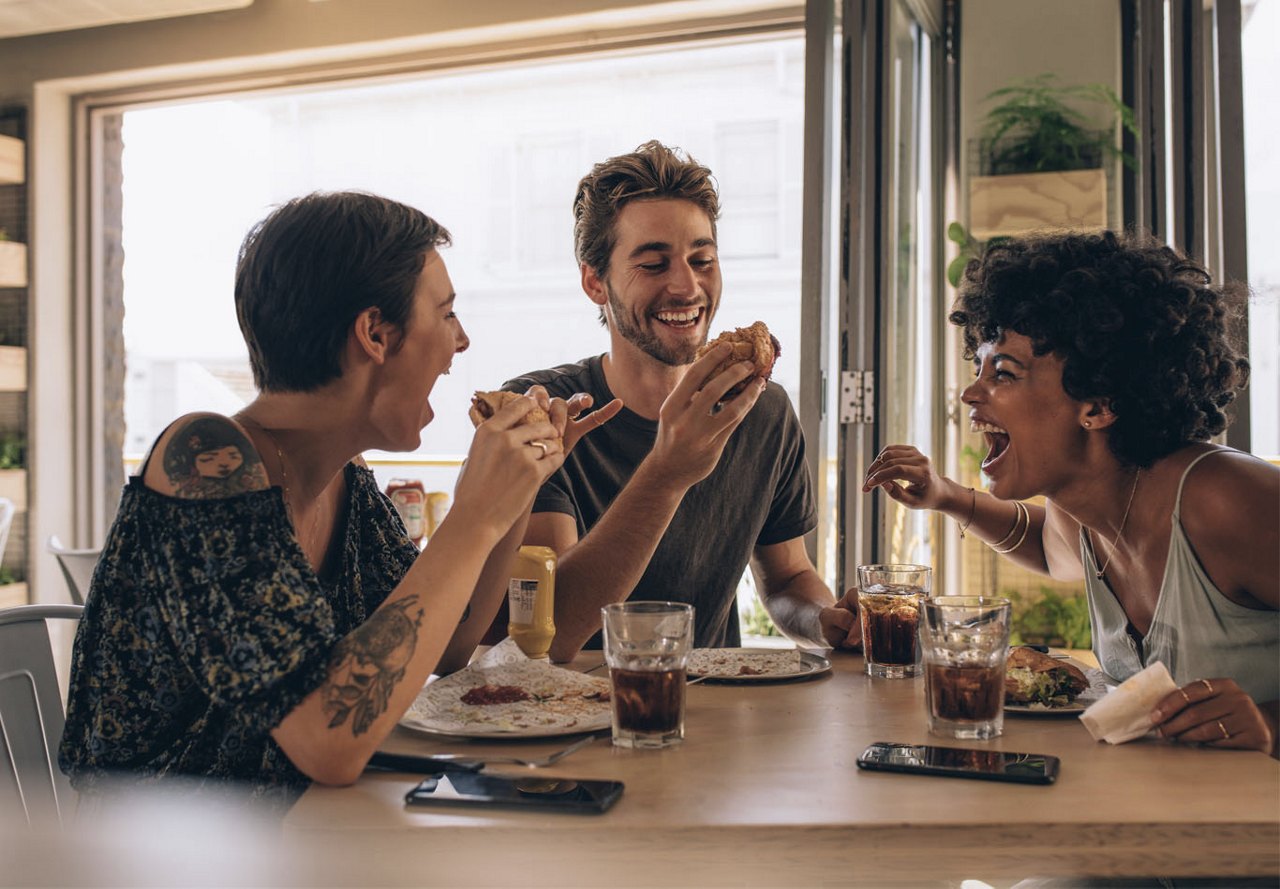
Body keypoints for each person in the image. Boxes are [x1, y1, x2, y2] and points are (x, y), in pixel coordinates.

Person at [58, 191, 607, 807]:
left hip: (297, 839)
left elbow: (446, 647)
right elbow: (328, 739)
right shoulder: (204, 460)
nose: (462, 341)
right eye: (446, 314)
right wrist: (474, 513)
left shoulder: (346, 482)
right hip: (154, 857)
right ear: (374, 333)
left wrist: (520, 486)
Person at [862, 230, 1278, 757]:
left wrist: (1270, 724)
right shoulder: (1083, 511)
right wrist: (947, 497)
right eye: (978, 369)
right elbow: (1047, 547)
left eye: (1004, 374)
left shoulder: (1227, 500)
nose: (971, 392)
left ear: (1099, 405)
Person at [502, 140, 860, 660]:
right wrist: (669, 470)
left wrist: (824, 621)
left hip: (712, 714)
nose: (687, 286)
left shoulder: (763, 410)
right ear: (594, 282)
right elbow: (548, 630)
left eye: (703, 259)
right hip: (569, 715)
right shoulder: (541, 412)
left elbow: (788, 579)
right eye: (653, 264)